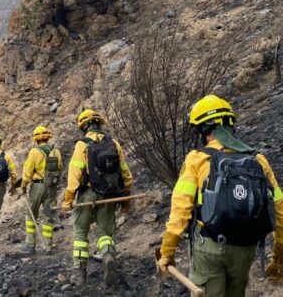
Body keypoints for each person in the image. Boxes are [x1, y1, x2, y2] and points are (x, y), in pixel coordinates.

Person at [157, 95, 283, 296]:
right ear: (231, 125)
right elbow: (280, 211)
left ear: (202, 130)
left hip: (209, 246)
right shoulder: (258, 160)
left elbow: (180, 211)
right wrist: (279, 258)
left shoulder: (196, 160)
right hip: (245, 249)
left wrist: (167, 253)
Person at [62, 109, 133, 286]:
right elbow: (126, 174)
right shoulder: (114, 143)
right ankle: (108, 256)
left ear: (83, 126)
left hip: (87, 195)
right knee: (105, 233)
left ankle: (79, 274)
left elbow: (75, 176)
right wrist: (125, 200)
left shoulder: (82, 145)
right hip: (109, 195)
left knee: (80, 232)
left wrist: (68, 199)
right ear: (99, 124)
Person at [19, 126, 63, 254]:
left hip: (37, 186)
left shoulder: (34, 152)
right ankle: (48, 246)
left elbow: (27, 171)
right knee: (48, 216)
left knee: (31, 214)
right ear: (47, 137)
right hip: (52, 187)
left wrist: (23, 186)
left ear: (36, 139)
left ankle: (30, 244)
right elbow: (59, 168)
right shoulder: (56, 152)